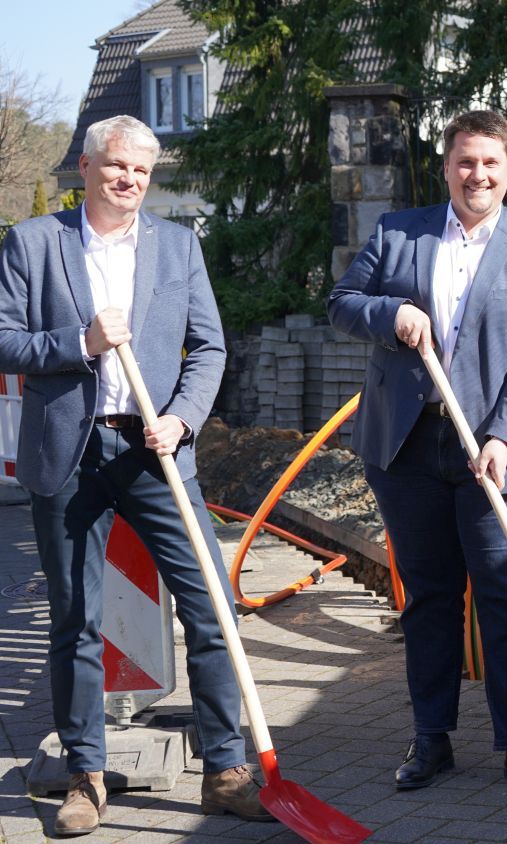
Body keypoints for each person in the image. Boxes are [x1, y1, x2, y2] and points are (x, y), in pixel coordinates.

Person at [0, 115, 269, 837]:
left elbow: (209, 348)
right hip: (69, 456)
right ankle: (85, 777)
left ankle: (226, 768)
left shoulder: (177, 246)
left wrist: (181, 419)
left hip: (155, 455)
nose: (130, 181)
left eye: (143, 172)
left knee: (212, 608)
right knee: (75, 623)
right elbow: (3, 338)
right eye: (118, 166)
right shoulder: (33, 243)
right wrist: (78, 342)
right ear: (85, 167)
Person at [328, 110, 507, 795]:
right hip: (407, 445)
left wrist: (503, 434)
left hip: (499, 448)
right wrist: (390, 314)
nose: (479, 175)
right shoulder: (397, 233)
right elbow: (342, 303)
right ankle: (430, 739)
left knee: (505, 597)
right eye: (466, 161)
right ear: (446, 166)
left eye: (491, 163)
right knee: (429, 597)